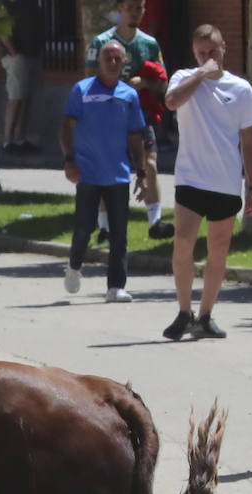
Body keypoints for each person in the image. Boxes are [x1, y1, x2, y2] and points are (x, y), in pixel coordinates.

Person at [160, 24, 252, 341]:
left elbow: (249, 142)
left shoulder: (241, 89)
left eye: (213, 51)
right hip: (191, 179)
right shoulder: (183, 79)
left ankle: (205, 315)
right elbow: (172, 102)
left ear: (224, 48)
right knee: (183, 244)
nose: (208, 57)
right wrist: (201, 73)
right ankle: (183, 311)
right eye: (201, 52)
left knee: (218, 250)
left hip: (226, 182)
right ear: (195, 54)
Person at [60, 39, 146, 303]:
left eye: (117, 58)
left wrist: (142, 171)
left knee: (119, 233)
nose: (112, 62)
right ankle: (74, 266)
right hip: (88, 173)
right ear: (99, 62)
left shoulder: (129, 95)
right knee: (84, 228)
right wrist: (70, 160)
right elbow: (66, 126)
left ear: (124, 63)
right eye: (107, 57)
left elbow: (135, 135)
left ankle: (115, 287)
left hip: (118, 173)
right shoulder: (82, 90)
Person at [86, 0, 173, 240]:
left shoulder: (149, 44)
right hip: (109, 116)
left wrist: (145, 83)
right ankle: (105, 227)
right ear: (120, 9)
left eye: (140, 8)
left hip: (140, 115)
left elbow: (163, 84)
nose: (136, 12)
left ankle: (155, 223)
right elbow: (89, 82)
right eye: (131, 7)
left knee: (151, 164)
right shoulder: (101, 43)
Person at [0, 0, 44, 153]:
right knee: (15, 98)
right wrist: (14, 53)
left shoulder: (33, 5)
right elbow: (2, 31)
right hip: (16, 57)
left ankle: (20, 139)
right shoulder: (6, 4)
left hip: (32, 55)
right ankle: (8, 140)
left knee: (26, 100)